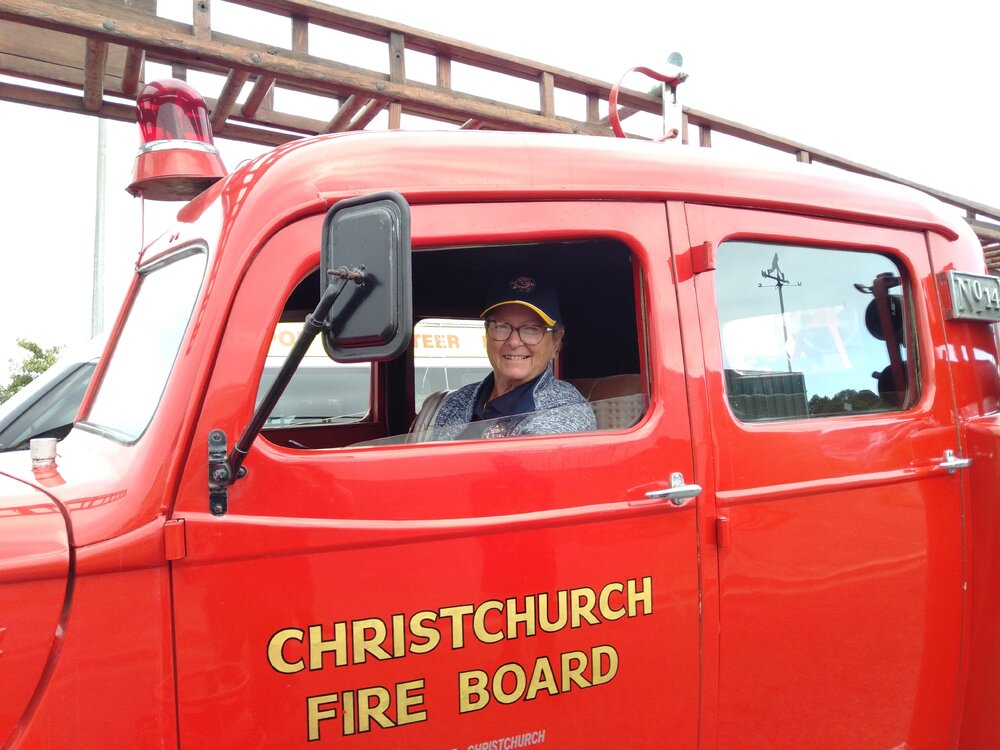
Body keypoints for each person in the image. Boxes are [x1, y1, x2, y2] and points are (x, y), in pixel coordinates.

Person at [430, 275, 596, 439]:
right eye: (501, 326)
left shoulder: (566, 412)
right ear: (487, 334)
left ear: (556, 341)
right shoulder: (458, 401)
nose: (514, 342)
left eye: (531, 329)